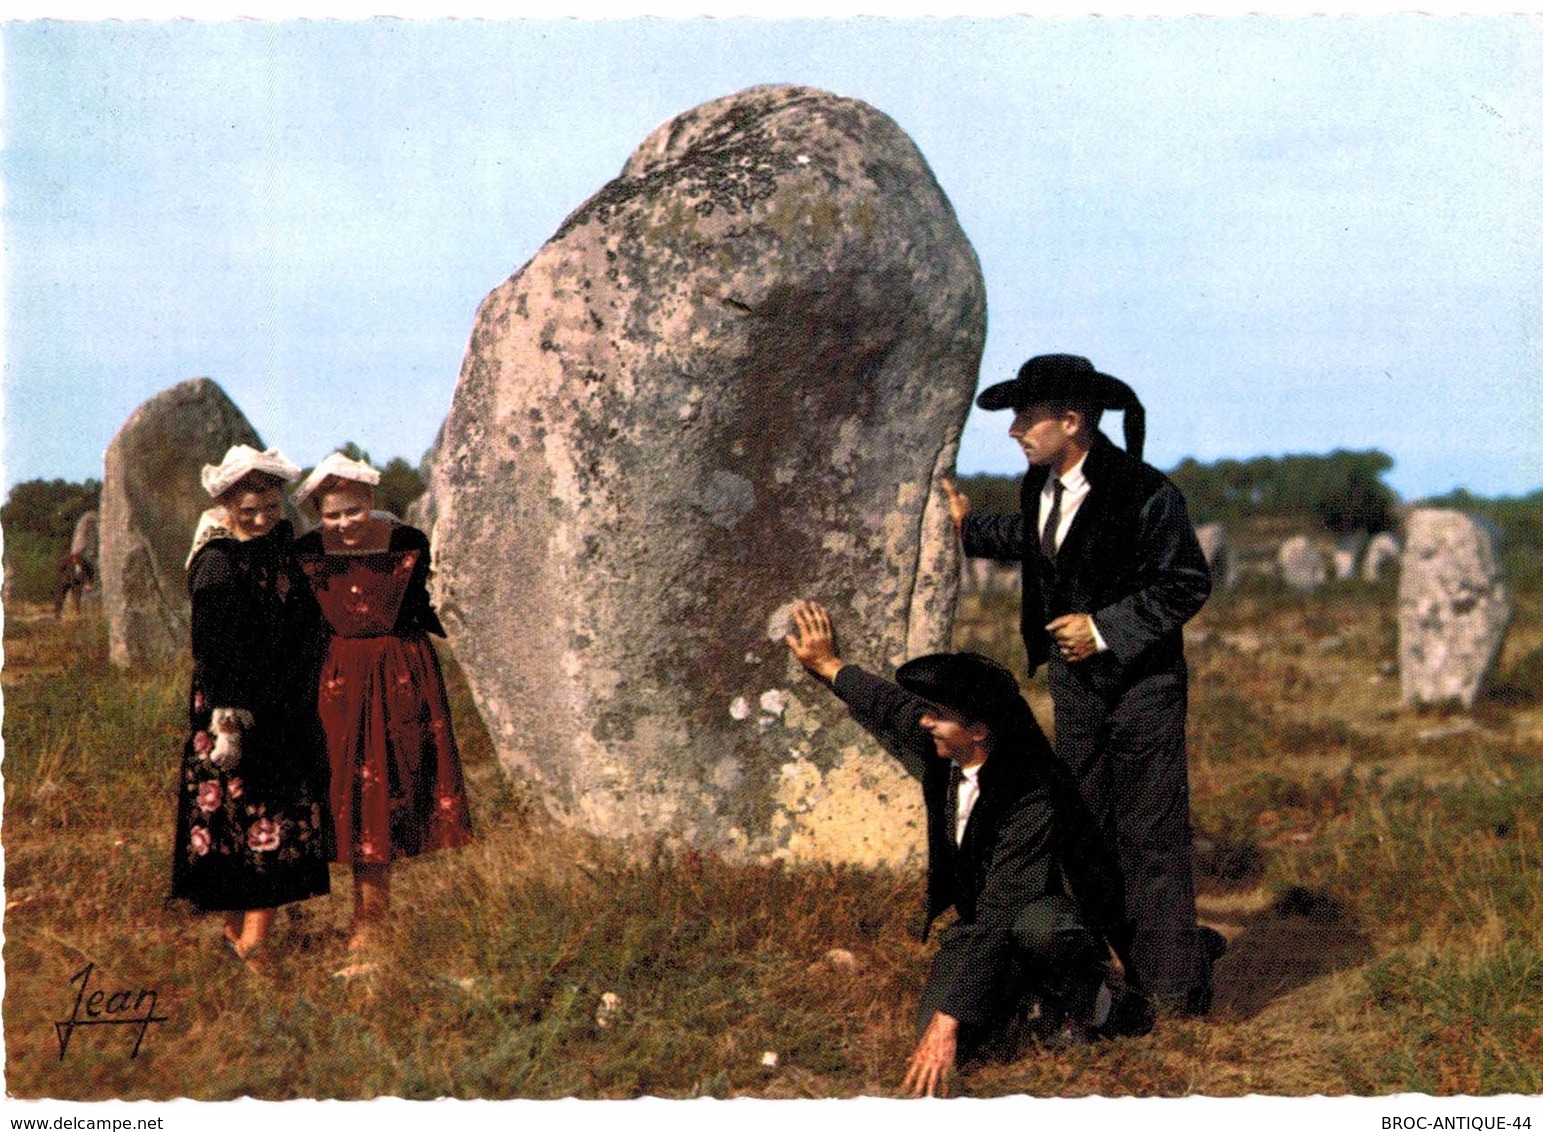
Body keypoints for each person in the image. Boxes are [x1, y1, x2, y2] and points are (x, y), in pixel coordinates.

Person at [942, 353, 1224, 1017]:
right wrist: (966, 527)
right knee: (1084, 830)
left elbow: (1185, 582)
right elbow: (1043, 541)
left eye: (1026, 417)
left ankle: (1172, 993)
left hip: (1142, 687)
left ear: (1070, 421)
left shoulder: (1145, 492)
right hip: (1076, 692)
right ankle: (1106, 978)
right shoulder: (1038, 484)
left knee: (1150, 836)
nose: (1013, 429)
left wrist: (1102, 628)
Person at [785, 600, 1134, 1097]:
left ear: (979, 730)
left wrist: (949, 1020)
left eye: (939, 716)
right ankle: (1022, 1000)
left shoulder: (1029, 792)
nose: (926, 722)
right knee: (945, 1052)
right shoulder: (946, 746)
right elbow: (889, 705)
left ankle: (1093, 1001)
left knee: (1042, 933)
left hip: (1030, 914)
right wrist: (827, 665)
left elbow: (1000, 911)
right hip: (982, 925)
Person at [293, 451, 473, 959]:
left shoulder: (407, 544)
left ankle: (374, 922)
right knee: (348, 793)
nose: (345, 522)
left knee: (388, 788)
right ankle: (362, 920)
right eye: (333, 514)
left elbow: (432, 604)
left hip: (399, 672)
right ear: (317, 514)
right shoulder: (306, 552)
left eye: (353, 510)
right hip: (339, 680)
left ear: (371, 501)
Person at [169, 445, 333, 964]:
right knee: (251, 814)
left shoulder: (287, 554)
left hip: (284, 704)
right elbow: (213, 650)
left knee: (257, 815)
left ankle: (241, 935)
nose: (261, 518)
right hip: (234, 710)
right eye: (248, 510)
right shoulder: (217, 564)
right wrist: (229, 722)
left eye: (270, 506)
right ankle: (249, 941)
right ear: (225, 506)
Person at [53, 550, 95, 617]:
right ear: (73, 558)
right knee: (60, 596)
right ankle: (57, 613)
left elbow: (90, 574)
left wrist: (89, 583)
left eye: (79, 561)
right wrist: (64, 577)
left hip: (77, 582)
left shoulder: (86, 564)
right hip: (65, 581)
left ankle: (77, 613)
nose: (76, 562)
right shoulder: (65, 560)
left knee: (77, 597)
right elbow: (58, 568)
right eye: (75, 560)